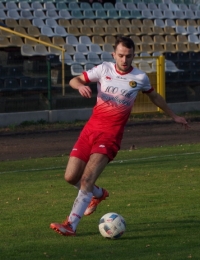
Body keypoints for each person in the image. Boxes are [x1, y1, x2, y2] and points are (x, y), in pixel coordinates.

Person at [50, 36, 189, 236]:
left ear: (134, 56)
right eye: (121, 55)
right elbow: (75, 79)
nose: (125, 60)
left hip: (111, 136)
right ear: (114, 54)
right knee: (70, 177)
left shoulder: (140, 78)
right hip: (90, 130)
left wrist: (174, 116)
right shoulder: (104, 69)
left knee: (87, 178)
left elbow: (155, 97)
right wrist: (80, 85)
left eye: (129, 56)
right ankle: (98, 194)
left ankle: (71, 225)